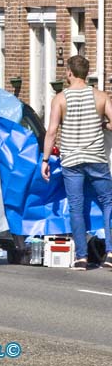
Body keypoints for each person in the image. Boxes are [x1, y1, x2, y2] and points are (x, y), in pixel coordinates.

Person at [42, 55, 112, 270]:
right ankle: (110, 253)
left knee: (76, 206)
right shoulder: (101, 97)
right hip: (96, 158)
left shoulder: (60, 99)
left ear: (70, 73)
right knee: (108, 202)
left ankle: (81, 257)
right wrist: (103, 125)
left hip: (71, 160)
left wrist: (45, 160)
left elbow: (52, 132)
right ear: (87, 73)